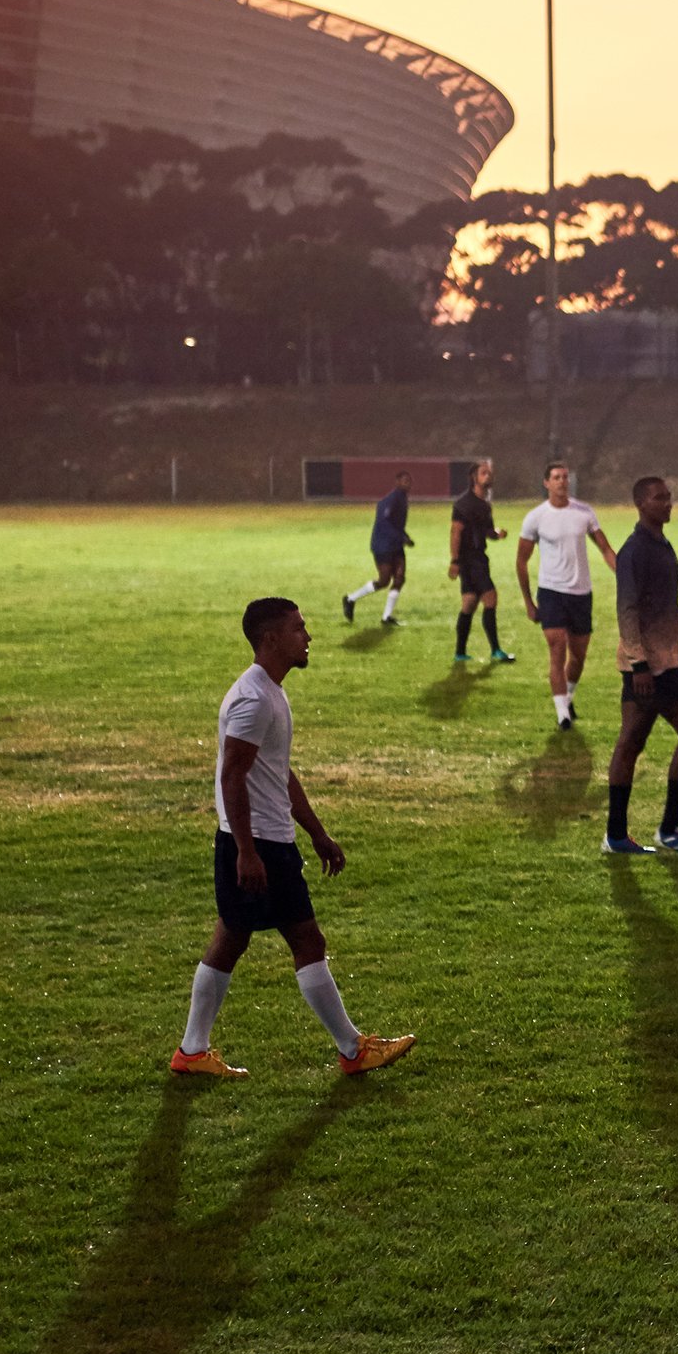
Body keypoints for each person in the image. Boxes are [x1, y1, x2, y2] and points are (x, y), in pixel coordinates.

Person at [170, 596, 414, 1078]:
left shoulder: (271, 692)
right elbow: (232, 775)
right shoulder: (254, 698)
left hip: (261, 840)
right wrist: (246, 851)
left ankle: (192, 1051)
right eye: (299, 629)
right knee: (306, 939)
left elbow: (278, 772)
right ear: (271, 639)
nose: (309, 637)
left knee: (230, 940)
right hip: (259, 845)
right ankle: (352, 1049)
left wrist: (318, 833)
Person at [604, 474, 678, 858]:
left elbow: (668, 608)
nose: (667, 503)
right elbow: (627, 610)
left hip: (667, 662)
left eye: (668, 497)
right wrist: (638, 666)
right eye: (659, 498)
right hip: (648, 668)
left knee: (639, 742)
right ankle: (660, 830)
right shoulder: (634, 551)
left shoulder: (661, 545)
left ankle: (625, 834)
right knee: (665, 738)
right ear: (640, 504)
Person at [514, 462, 613, 726]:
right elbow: (521, 560)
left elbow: (605, 548)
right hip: (551, 592)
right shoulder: (535, 517)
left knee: (578, 657)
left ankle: (567, 698)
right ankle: (562, 716)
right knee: (557, 649)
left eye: (565, 477)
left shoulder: (584, 512)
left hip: (581, 593)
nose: (562, 482)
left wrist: (624, 574)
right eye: (556, 477)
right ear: (546, 483)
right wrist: (528, 601)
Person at [450, 459, 516, 665]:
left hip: (478, 558)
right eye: (483, 473)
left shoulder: (485, 505)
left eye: (490, 473)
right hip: (471, 560)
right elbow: (455, 532)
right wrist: (455, 561)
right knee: (491, 598)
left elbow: (487, 531)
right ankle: (496, 650)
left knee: (469, 603)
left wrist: (497, 534)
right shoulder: (463, 504)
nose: (488, 476)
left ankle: (460, 653)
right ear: (474, 478)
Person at [342, 471, 411, 626]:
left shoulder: (402, 498)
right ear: (397, 482)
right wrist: (402, 537)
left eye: (409, 481)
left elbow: (395, 523)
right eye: (404, 480)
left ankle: (386, 618)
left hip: (395, 544)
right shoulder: (392, 499)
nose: (408, 484)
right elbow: (385, 522)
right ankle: (350, 599)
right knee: (384, 580)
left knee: (400, 578)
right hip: (383, 545)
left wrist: (405, 536)